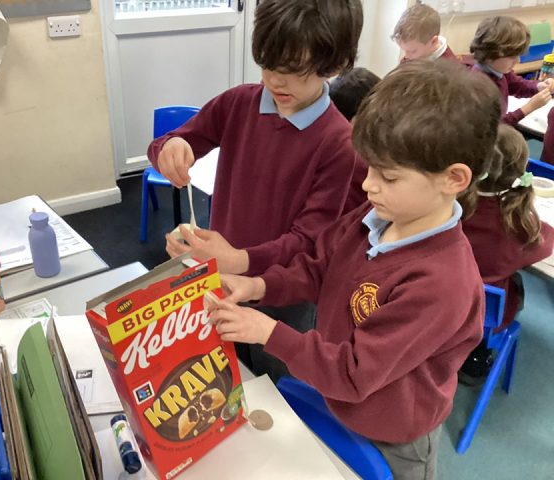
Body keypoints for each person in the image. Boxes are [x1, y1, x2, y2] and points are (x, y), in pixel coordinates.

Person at [205, 59, 501, 480]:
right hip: (334, 396)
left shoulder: (442, 283)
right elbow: (317, 270)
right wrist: (256, 286)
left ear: (453, 178)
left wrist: (268, 332)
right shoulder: (376, 215)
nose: (367, 184)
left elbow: (355, 372)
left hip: (391, 435)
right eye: (370, 167)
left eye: (388, 177)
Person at [147, 0, 365, 382]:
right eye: (268, 65)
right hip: (223, 275)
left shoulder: (338, 143)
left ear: (333, 65)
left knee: (275, 382)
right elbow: (170, 142)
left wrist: (239, 260)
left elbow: (309, 240)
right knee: (222, 369)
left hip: (284, 294)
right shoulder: (239, 102)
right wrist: (171, 148)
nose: (276, 81)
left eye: (294, 70)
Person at [459, 124, 554, 384]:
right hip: (480, 315)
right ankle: (476, 357)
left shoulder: (446, 205)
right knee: (515, 285)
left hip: (436, 302)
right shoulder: (519, 228)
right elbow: (546, 244)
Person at [469, 16, 554, 127]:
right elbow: (493, 126)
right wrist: (528, 108)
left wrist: (539, 86)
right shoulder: (478, 86)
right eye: (512, 56)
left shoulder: (499, 71)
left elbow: (519, 85)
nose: (518, 61)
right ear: (491, 53)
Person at [392, 3, 457, 62]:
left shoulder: (450, 67)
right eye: (405, 50)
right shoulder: (413, 54)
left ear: (433, 41)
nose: (406, 56)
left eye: (412, 51)